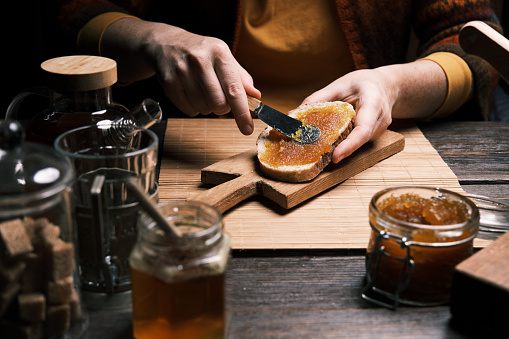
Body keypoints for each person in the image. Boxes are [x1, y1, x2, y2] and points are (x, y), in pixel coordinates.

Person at [43, 0, 501, 163]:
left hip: (371, 143)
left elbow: (473, 41)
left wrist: (394, 85)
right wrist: (151, 38)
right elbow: (63, 16)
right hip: (182, 151)